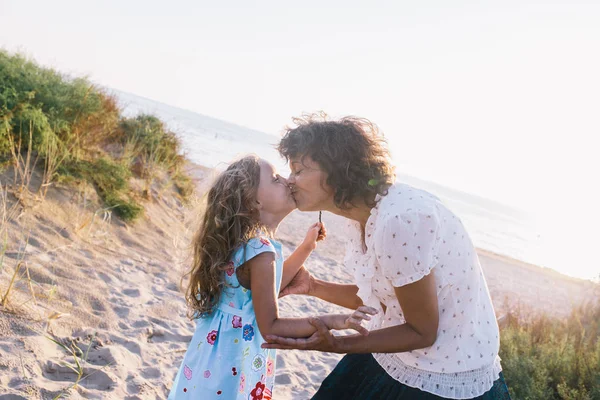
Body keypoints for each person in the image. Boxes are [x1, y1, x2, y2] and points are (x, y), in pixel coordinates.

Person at [263, 116, 511, 399]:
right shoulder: (362, 218)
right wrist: (313, 286)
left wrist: (335, 344)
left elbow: (422, 332)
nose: (289, 180)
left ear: (337, 171)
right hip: (395, 350)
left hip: (440, 372)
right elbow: (387, 300)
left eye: (298, 170)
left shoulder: (400, 220)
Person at [169, 155, 377, 400]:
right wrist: (335, 320)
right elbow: (271, 327)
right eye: (275, 179)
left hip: (211, 359)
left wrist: (306, 248)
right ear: (253, 201)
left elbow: (266, 290)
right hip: (235, 363)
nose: (288, 181)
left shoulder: (244, 244)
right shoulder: (260, 249)